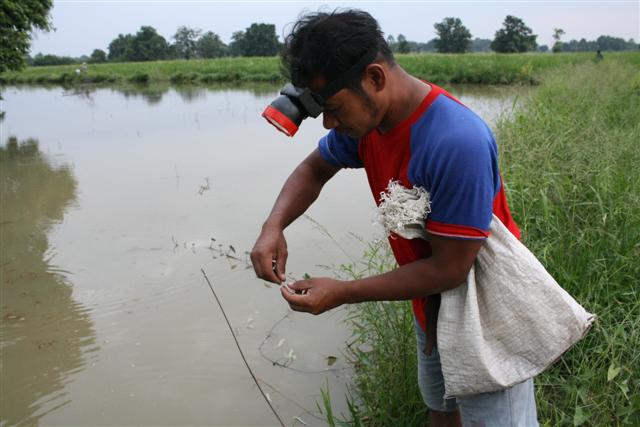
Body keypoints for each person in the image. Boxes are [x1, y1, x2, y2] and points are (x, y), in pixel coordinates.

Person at [251, 9, 538, 427]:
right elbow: (313, 169)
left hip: (484, 315)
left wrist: (343, 292)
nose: (330, 123)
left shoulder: (456, 141)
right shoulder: (370, 125)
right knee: (441, 410)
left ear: (375, 78)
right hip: (429, 307)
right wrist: (272, 226)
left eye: (333, 108)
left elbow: (450, 269)